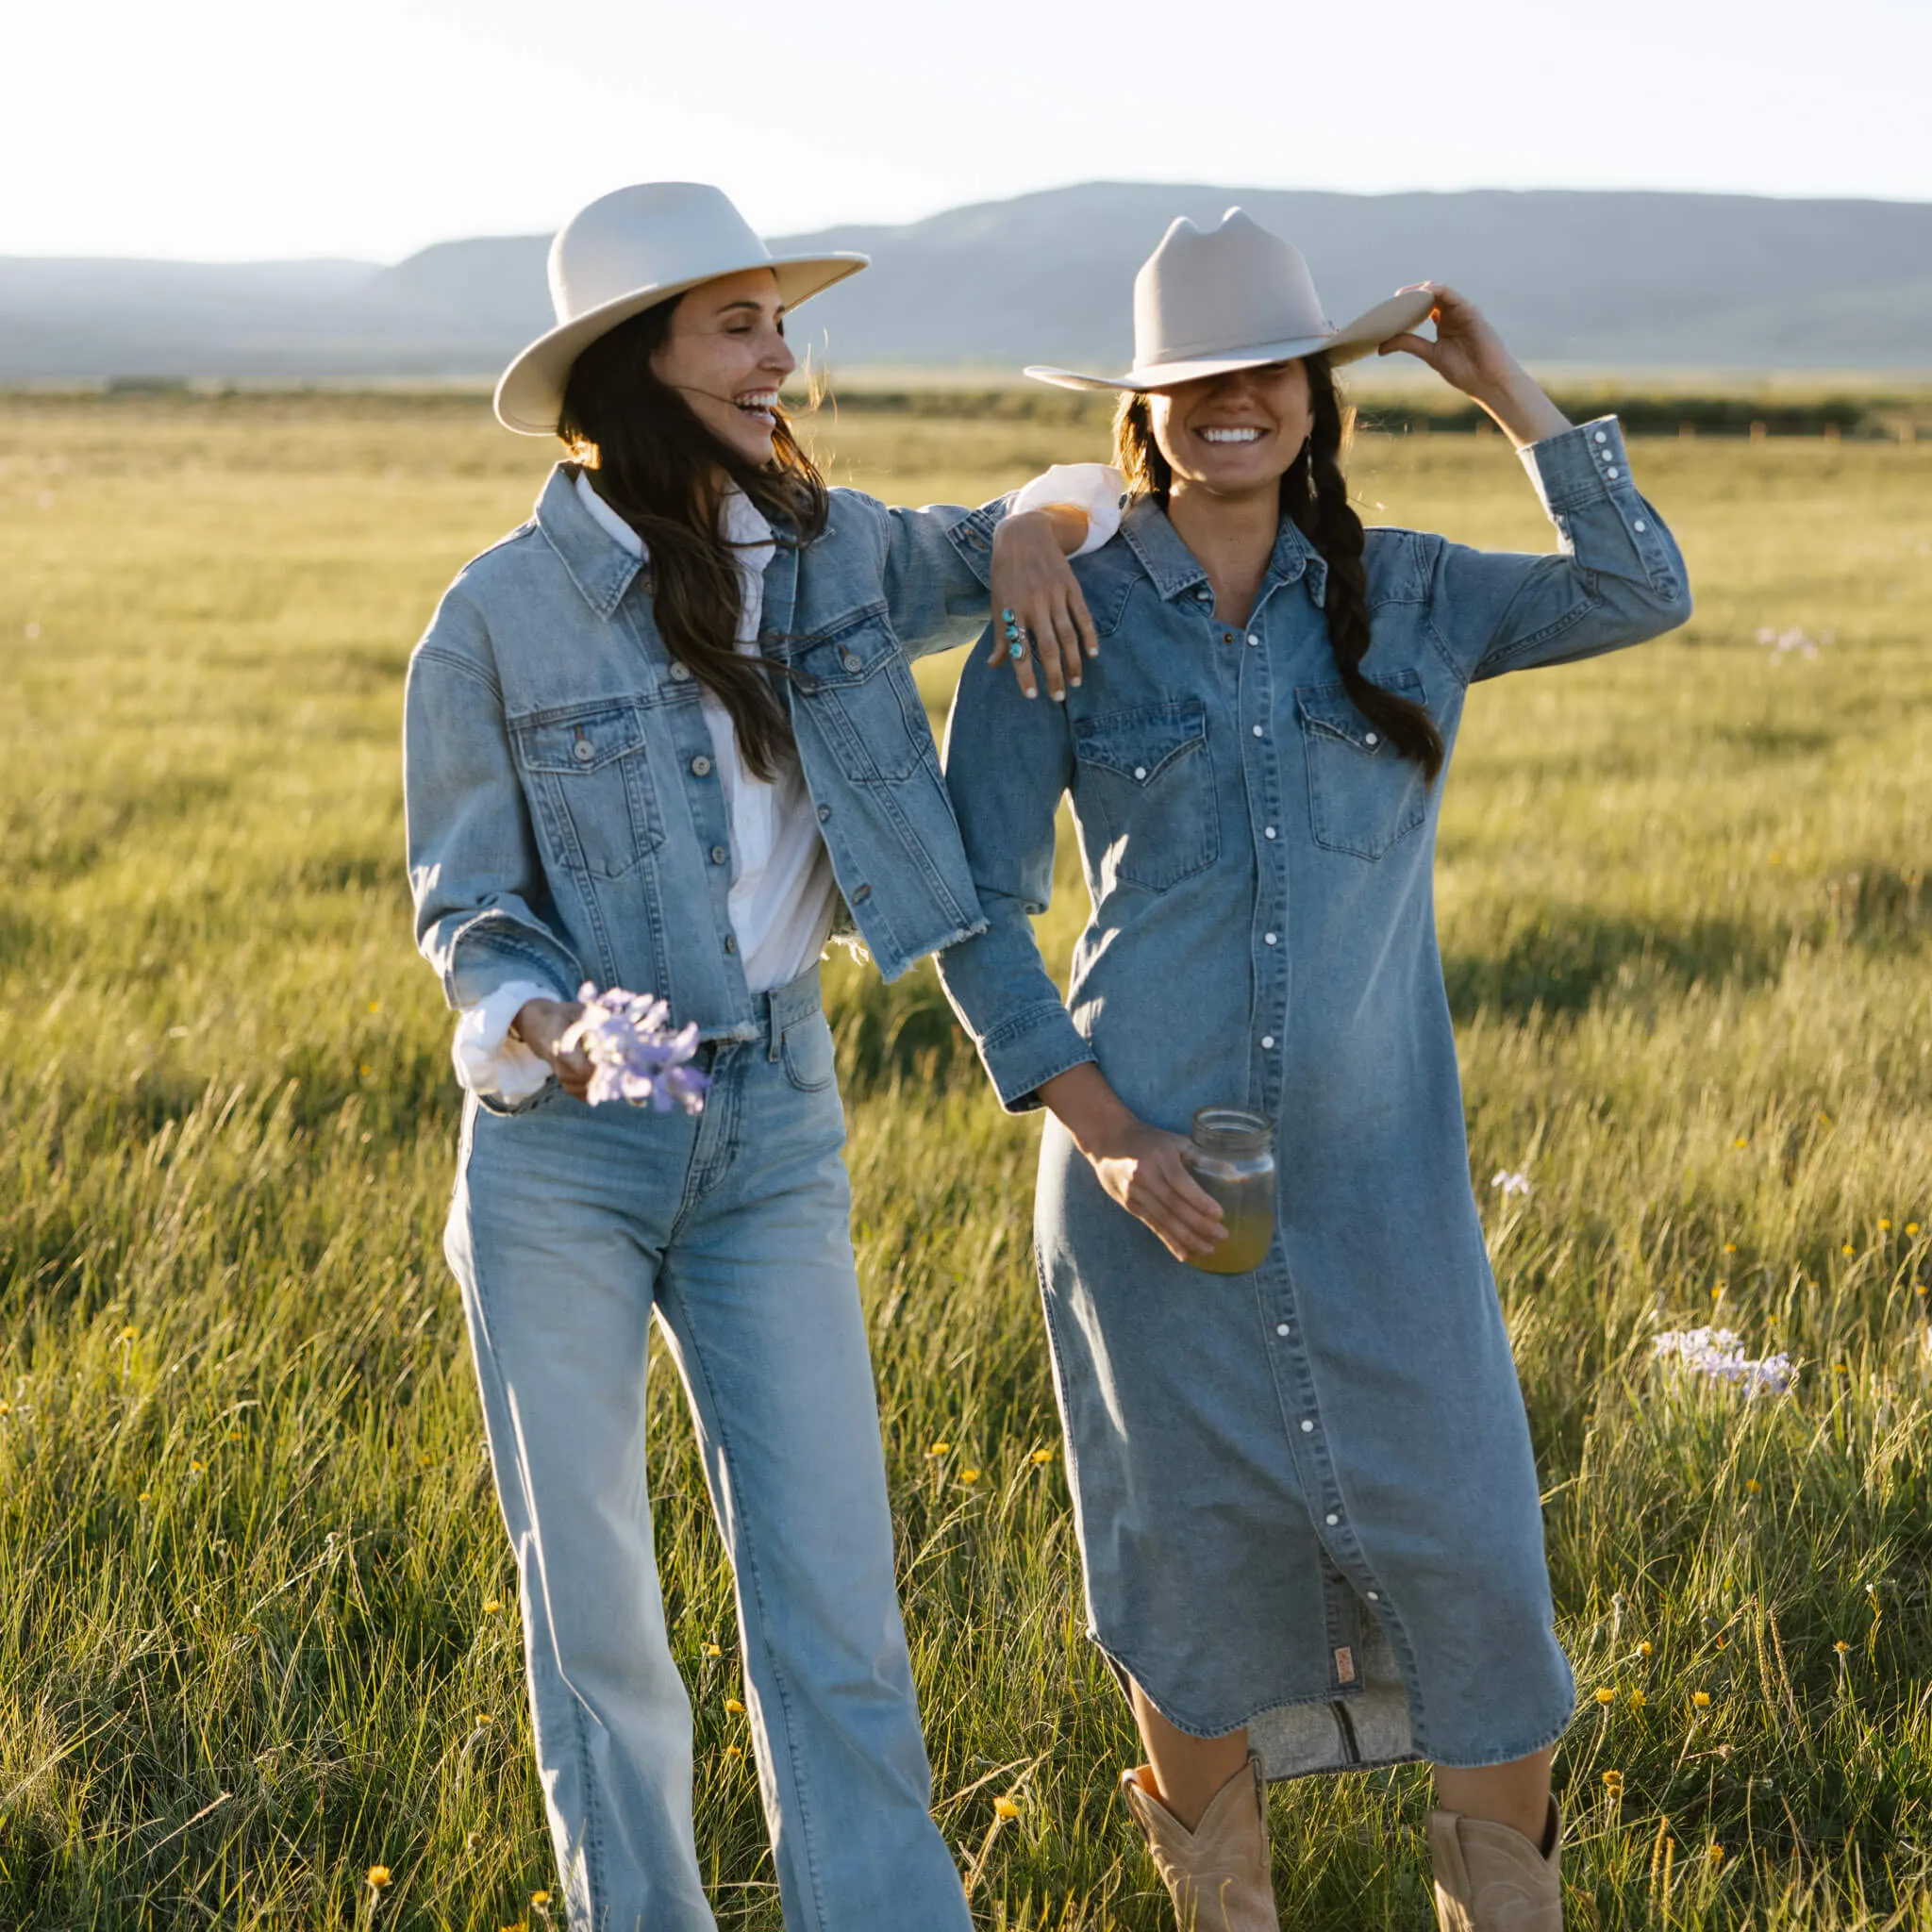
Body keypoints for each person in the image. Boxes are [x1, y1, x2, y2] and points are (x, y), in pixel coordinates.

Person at [936, 208, 1692, 1932]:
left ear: (1313, 393)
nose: (1232, 403)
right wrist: (1108, 1133)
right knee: (1190, 1585)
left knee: (1484, 1575)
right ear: (1145, 407)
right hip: (1149, 1197)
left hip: (1382, 1193)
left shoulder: (1413, 591)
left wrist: (1511, 393)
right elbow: (974, 907)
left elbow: (1643, 585)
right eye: (1194, 379)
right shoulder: (1054, 601)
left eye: (1267, 370)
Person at [403, 180, 1111, 1932]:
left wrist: (1032, 523)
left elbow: (1083, 494)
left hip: (776, 1117)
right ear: (633, 365)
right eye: (737, 324)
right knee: (603, 1628)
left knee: (835, 1603)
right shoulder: (495, 617)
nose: (782, 355)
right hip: (569, 1150)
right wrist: (544, 1026)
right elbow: (471, 908)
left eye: (780, 322)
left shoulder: (842, 547)